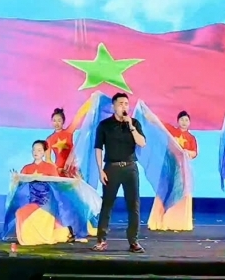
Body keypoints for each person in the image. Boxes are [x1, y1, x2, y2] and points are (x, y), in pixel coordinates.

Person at [92, 93, 147, 253]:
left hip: (130, 168)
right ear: (113, 106)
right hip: (111, 168)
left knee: (133, 205)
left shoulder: (134, 123)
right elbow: (98, 148)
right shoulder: (104, 125)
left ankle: (133, 241)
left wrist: (131, 126)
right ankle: (101, 240)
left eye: (126, 104)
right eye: (121, 103)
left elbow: (142, 143)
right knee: (107, 204)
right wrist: (100, 170)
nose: (124, 106)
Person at [140, 108, 197, 231]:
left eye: (186, 120)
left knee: (181, 192)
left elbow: (194, 153)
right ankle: (160, 221)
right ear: (178, 121)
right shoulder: (172, 131)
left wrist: (187, 152)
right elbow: (159, 124)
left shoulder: (191, 138)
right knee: (165, 190)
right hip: (169, 167)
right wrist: (148, 115)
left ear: (189, 122)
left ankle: (178, 223)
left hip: (182, 170)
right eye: (182, 120)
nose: (184, 122)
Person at [12, 140, 73, 245]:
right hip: (33, 201)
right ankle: (27, 238)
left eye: (39, 150)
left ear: (44, 152)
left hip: (46, 202)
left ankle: (60, 232)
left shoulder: (50, 168)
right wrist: (16, 179)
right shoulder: (26, 168)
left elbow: (58, 184)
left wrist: (73, 182)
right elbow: (20, 185)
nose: (36, 152)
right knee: (20, 213)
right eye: (34, 150)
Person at [46, 105, 89, 177]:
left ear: (63, 121)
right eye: (54, 121)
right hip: (59, 170)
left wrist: (90, 102)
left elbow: (78, 116)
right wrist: (58, 169)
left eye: (59, 120)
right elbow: (48, 159)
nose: (56, 123)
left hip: (72, 168)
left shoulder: (69, 131)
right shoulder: (49, 139)